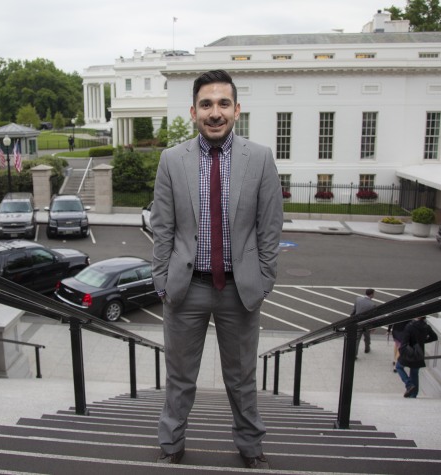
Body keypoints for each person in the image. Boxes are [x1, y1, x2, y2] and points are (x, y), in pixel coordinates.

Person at [150, 70, 283, 470]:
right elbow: (163, 227)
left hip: (240, 291)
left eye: (223, 103)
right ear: (193, 112)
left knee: (241, 378)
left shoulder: (259, 158)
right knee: (180, 377)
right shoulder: (172, 160)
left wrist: (263, 279)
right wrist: (161, 280)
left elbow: (270, 226)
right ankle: (171, 442)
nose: (215, 112)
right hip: (185, 288)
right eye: (206, 104)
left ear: (236, 110)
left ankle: (250, 445)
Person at [395, 316, 438, 398]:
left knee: (399, 367)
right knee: (414, 373)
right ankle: (413, 395)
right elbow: (434, 337)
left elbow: (405, 341)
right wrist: (422, 341)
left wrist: (401, 351)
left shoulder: (409, 326)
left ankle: (409, 384)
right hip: (419, 352)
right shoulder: (426, 326)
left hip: (409, 351)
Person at [351, 288, 375, 356]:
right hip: (366, 323)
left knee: (357, 338)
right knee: (367, 336)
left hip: (358, 322)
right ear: (371, 294)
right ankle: (367, 348)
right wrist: (373, 326)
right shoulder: (372, 305)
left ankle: (354, 354)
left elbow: (354, 310)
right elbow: (372, 317)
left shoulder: (358, 299)